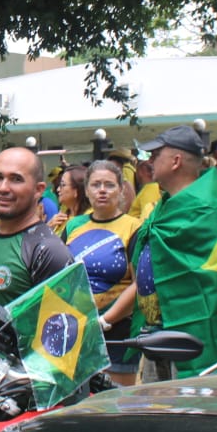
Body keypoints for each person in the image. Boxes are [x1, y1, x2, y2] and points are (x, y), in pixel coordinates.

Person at [107, 125, 217, 379]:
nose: (149, 161)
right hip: (155, 331)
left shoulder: (202, 208)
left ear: (175, 161)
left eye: (155, 155)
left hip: (190, 328)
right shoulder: (165, 205)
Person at [0, 147, 71, 327]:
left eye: (16, 179)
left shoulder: (48, 251)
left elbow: (64, 336)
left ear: (38, 190)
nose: (3, 188)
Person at [63, 161, 141, 385]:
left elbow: (139, 284)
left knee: (116, 403)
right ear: (86, 190)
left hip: (118, 333)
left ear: (121, 189)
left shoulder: (135, 227)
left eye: (109, 185)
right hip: (77, 331)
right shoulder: (72, 226)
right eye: (96, 185)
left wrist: (105, 320)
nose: (102, 190)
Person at [46, 164, 88, 236]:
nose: (58, 189)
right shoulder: (63, 212)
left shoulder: (87, 219)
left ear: (76, 191)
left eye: (63, 185)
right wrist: (48, 227)